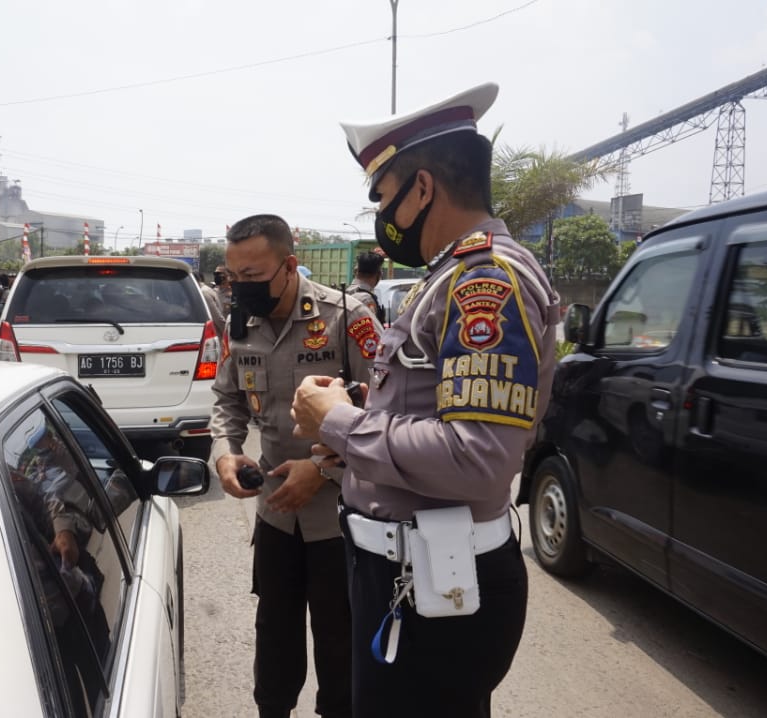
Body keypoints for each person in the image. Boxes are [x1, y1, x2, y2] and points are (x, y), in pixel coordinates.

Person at [290, 83, 561, 718]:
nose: (381, 216)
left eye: (383, 196)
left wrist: (343, 425)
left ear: (423, 188)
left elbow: (478, 457)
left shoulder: (487, 280)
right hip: (412, 575)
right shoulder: (448, 274)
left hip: (433, 584)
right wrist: (352, 412)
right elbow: (432, 403)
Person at [210, 214, 379, 718]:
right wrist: (225, 451)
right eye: (234, 277)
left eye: (254, 277)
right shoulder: (239, 322)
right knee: (275, 640)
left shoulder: (345, 316)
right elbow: (227, 399)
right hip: (276, 516)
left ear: (289, 265)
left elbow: (387, 409)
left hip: (341, 520)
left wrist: (323, 468)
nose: (242, 288)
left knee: (340, 645)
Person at [346, 251, 384, 324]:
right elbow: (371, 330)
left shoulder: (345, 292)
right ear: (379, 274)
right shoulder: (366, 299)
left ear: (355, 271)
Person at [196, 272, 226, 337]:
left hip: (215, 334)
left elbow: (217, 317)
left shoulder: (203, 293)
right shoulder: (206, 289)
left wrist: (226, 335)